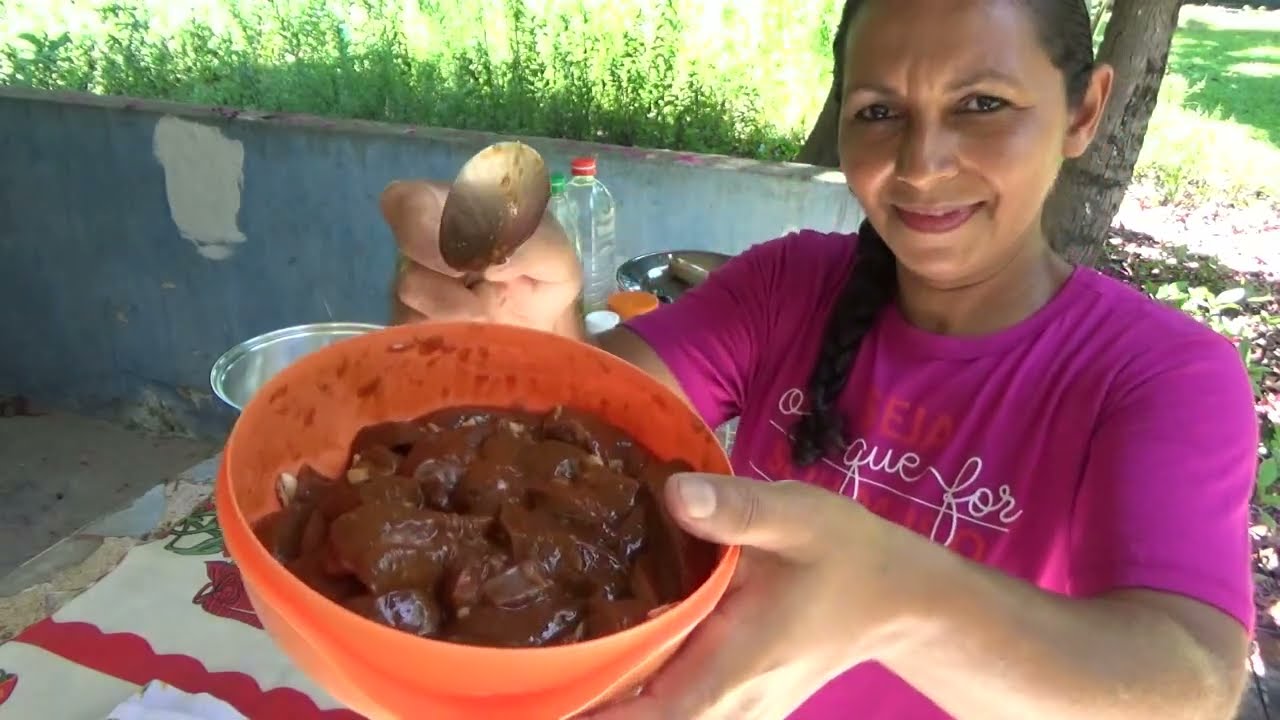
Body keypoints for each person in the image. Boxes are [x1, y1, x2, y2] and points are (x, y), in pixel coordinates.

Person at [382, 0, 1258, 717]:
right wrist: (528, 324)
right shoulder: (787, 285)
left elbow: (1187, 685)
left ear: (1084, 110)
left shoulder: (1162, 374)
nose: (921, 165)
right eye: (879, 112)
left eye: (982, 104)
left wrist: (902, 600)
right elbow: (580, 415)